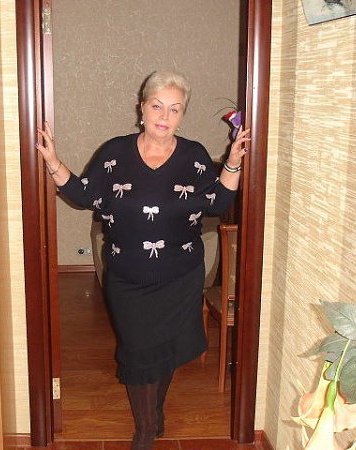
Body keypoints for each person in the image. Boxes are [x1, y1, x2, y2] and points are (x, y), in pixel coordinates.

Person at [36, 70, 249, 450]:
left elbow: (218, 203)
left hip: (180, 274)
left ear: (182, 115)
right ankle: (146, 429)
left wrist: (232, 162)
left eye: (175, 109)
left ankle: (153, 417)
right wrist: (53, 160)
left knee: (165, 348)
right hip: (128, 277)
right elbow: (84, 195)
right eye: (157, 106)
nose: (165, 116)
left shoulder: (194, 156)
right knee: (138, 351)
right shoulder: (114, 153)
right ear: (142, 108)